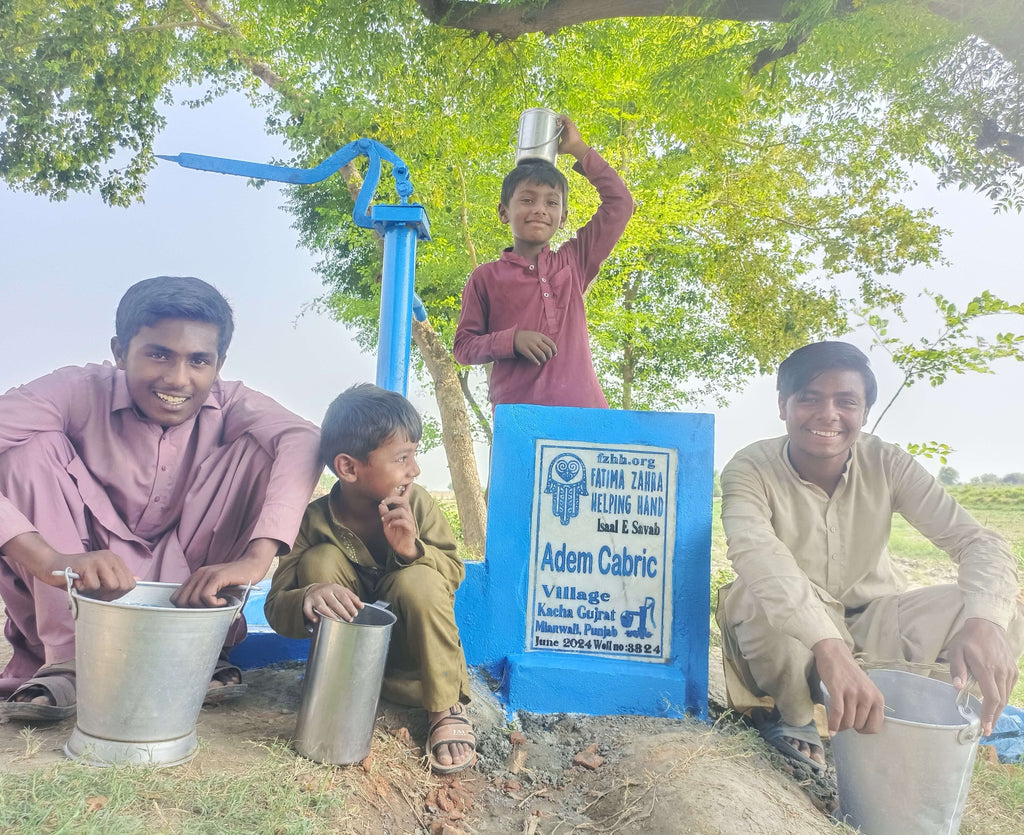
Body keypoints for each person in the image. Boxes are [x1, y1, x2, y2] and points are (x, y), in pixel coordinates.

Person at [0, 276, 321, 721]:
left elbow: (305, 441)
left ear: (219, 363)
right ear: (119, 351)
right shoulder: (74, 390)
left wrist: (254, 561)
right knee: (25, 451)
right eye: (158, 354)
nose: (178, 379)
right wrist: (48, 559)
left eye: (199, 361)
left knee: (265, 448)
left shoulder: (231, 404)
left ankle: (202, 647)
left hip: (186, 578)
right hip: (81, 578)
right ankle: (69, 664)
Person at [717, 341, 1024, 772]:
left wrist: (986, 621)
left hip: (872, 625)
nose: (828, 415)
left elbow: (978, 542)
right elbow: (756, 552)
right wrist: (829, 646)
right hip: (787, 644)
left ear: (864, 413)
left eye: (846, 402)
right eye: (809, 398)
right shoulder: (749, 467)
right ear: (783, 405)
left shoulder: (887, 462)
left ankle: (914, 716)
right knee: (754, 589)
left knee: (997, 605)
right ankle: (796, 718)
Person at [264, 383, 474, 774]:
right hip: (347, 666)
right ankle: (338, 697)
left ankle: (444, 707)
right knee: (321, 561)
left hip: (414, 664)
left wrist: (412, 551)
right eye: (402, 458)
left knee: (421, 581)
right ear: (348, 467)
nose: (414, 470)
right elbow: (276, 607)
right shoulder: (312, 521)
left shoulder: (419, 505)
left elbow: (452, 574)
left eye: (414, 456)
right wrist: (309, 595)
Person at [452, 115, 634, 409]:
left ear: (562, 218)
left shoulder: (574, 261)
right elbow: (462, 347)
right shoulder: (485, 278)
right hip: (520, 424)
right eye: (527, 200)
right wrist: (510, 341)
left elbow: (620, 203)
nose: (539, 209)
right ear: (503, 212)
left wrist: (578, 148)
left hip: (586, 418)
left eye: (551, 202)